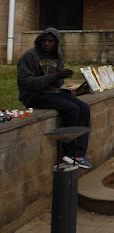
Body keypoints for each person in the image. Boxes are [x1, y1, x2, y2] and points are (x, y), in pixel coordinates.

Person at [17, 28, 92, 169]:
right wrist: (54, 76)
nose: (47, 44)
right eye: (44, 40)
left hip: (52, 92)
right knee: (72, 109)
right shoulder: (30, 56)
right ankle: (69, 152)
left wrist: (61, 77)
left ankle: (79, 153)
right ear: (40, 41)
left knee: (84, 108)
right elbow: (26, 82)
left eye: (50, 41)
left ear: (56, 43)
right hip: (34, 96)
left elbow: (57, 84)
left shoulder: (57, 57)